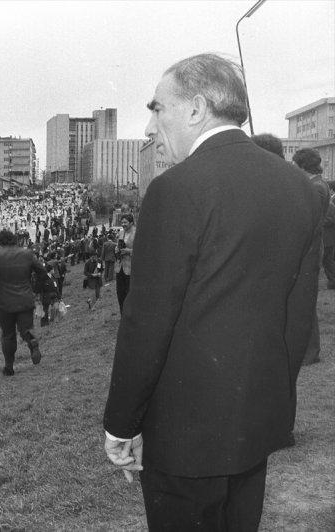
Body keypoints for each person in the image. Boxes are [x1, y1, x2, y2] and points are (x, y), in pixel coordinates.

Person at [102, 53, 321, 531]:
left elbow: (147, 321)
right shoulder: (301, 189)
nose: (149, 125)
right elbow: (298, 315)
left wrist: (122, 424)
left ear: (196, 108)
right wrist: (269, 405)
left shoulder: (175, 189)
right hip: (255, 421)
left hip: (185, 436)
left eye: (157, 108)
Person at [0, 228, 45, 376]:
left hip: (5, 301)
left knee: (8, 334)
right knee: (27, 328)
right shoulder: (27, 254)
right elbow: (41, 271)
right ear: (14, 239)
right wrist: (35, 288)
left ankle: (9, 367)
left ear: (0, 241)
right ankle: (32, 343)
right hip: (25, 297)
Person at [292, 148, 328, 367]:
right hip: (312, 246)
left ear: (303, 165)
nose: (293, 167)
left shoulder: (315, 187)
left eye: (295, 164)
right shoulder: (317, 184)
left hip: (310, 248)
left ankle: (311, 352)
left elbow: (304, 218)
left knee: (307, 300)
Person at [115, 213, 136, 314]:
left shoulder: (137, 233)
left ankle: (130, 315)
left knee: (129, 293)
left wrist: (128, 251)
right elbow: (118, 245)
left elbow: (142, 250)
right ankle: (123, 315)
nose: (123, 224)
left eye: (125, 222)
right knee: (120, 293)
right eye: (122, 222)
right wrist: (117, 249)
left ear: (131, 222)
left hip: (131, 268)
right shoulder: (121, 232)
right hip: (120, 267)